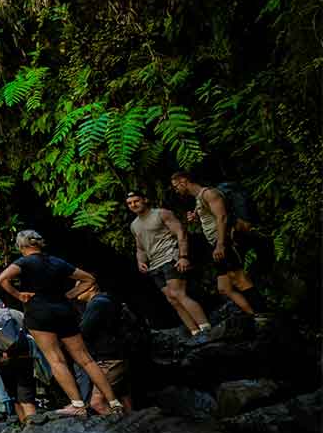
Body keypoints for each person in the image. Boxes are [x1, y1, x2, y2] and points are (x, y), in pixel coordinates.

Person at [0, 229, 125, 417]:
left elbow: (2, 279)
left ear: (21, 246)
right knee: (85, 359)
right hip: (64, 311)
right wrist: (69, 295)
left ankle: (78, 404)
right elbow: (89, 279)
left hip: (39, 312)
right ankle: (114, 402)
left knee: (55, 359)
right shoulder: (56, 262)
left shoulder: (24, 262)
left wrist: (18, 295)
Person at [170, 171, 264, 323]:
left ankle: (262, 314)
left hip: (225, 241)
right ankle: (254, 315)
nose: (176, 190)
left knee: (239, 278)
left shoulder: (209, 194)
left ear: (183, 181)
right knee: (224, 288)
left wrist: (220, 244)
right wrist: (197, 219)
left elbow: (222, 217)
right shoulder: (199, 199)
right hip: (215, 243)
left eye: (176, 186)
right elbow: (211, 220)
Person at [126, 191, 210, 338]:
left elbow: (180, 232)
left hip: (170, 257)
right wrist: (140, 261)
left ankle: (206, 329)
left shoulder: (161, 214)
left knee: (179, 294)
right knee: (172, 300)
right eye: (130, 203)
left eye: (136, 201)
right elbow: (140, 247)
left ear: (145, 200)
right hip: (154, 264)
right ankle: (195, 332)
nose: (133, 204)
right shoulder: (134, 225)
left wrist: (183, 256)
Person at [75, 283, 143, 415]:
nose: (75, 291)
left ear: (91, 286)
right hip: (120, 355)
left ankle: (122, 432)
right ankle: (133, 426)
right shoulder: (109, 300)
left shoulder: (97, 304)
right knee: (123, 397)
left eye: (79, 286)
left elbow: (83, 331)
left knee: (97, 402)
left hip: (109, 359)